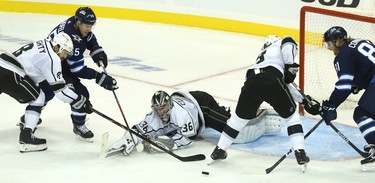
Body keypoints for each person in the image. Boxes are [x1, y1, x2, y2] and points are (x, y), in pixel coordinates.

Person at [209, 35, 321, 169]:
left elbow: (285, 84)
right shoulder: (280, 45)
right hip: (272, 80)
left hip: (251, 81)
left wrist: (304, 100)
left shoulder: (262, 57)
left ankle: (219, 151)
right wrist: (304, 100)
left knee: (238, 120)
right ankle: (300, 153)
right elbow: (288, 42)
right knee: (291, 118)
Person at [22, 7, 118, 142]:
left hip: (50, 62)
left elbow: (89, 38)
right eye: (86, 25)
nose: (89, 28)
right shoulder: (74, 39)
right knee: (81, 94)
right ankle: (79, 125)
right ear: (78, 22)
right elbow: (77, 70)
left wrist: (97, 51)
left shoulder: (73, 22)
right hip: (55, 65)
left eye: (92, 25)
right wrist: (99, 77)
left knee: (46, 92)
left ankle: (29, 118)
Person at [103, 89, 288, 157]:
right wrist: (130, 139)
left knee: (236, 134)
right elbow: (138, 129)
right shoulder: (154, 116)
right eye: (158, 109)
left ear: (169, 105)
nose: (161, 112)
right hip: (187, 99)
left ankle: (259, 115)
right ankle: (227, 114)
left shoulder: (179, 116)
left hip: (202, 106)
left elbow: (188, 139)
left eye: (164, 108)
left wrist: (164, 144)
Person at [0, 32, 93, 152]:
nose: (65, 56)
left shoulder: (43, 43)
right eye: (65, 52)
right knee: (38, 98)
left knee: (39, 95)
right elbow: (60, 92)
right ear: (57, 47)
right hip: (12, 73)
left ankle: (28, 123)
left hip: (2, 63)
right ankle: (27, 137)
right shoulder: (52, 58)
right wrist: (79, 101)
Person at [321, 26, 375, 165]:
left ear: (338, 41)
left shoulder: (343, 55)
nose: (329, 48)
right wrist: (357, 83)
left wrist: (330, 105)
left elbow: (344, 86)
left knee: (362, 113)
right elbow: (367, 66)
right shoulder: (361, 41)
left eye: (330, 43)